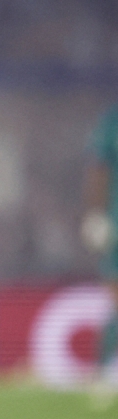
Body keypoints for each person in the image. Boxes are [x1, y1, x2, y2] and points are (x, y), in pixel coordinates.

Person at [84, 103, 118, 397]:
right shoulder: (112, 124)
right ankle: (101, 370)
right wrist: (97, 214)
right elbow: (98, 170)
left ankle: (101, 371)